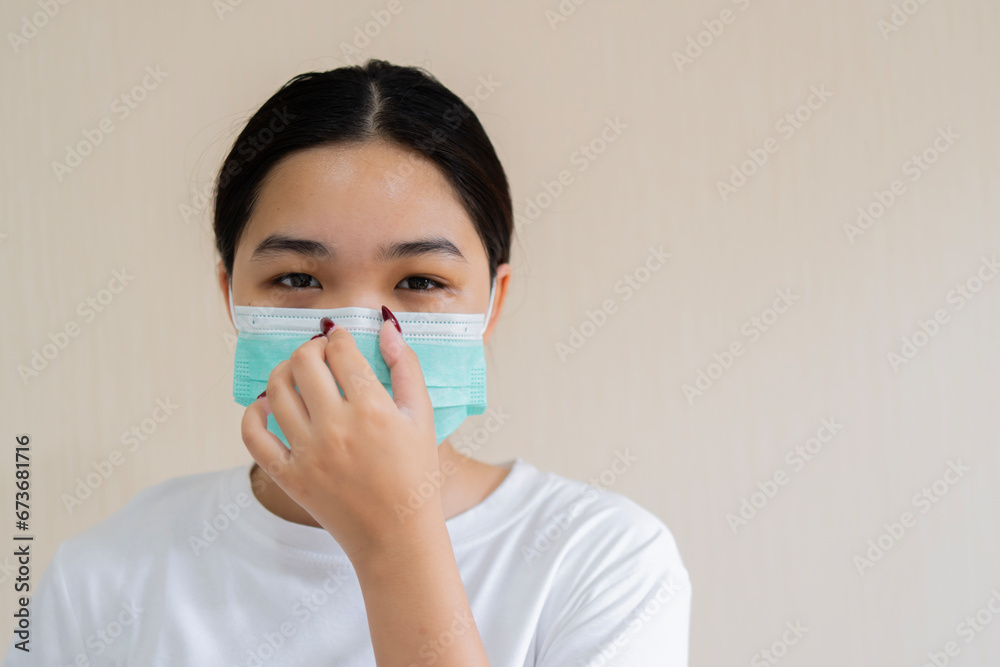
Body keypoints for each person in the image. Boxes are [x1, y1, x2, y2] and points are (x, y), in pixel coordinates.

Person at [4, 58, 691, 666]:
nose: (352, 337)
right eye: (299, 279)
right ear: (232, 297)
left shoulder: (602, 560)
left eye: (420, 281)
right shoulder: (107, 571)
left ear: (492, 304)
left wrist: (393, 536)